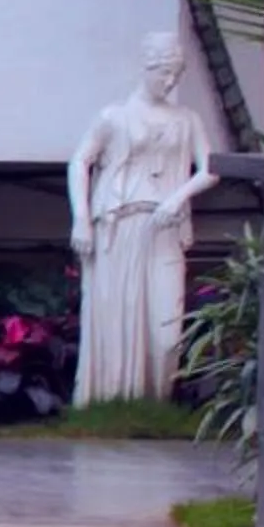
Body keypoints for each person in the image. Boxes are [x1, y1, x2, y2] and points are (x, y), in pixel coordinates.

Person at [69, 29, 217, 406]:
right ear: (145, 68)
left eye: (175, 74)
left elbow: (210, 168)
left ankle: (156, 400)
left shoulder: (187, 120)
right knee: (116, 317)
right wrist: (81, 218)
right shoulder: (114, 117)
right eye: (163, 72)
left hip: (164, 229)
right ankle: (115, 401)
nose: (169, 81)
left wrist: (178, 197)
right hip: (118, 227)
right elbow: (80, 161)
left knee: (166, 329)